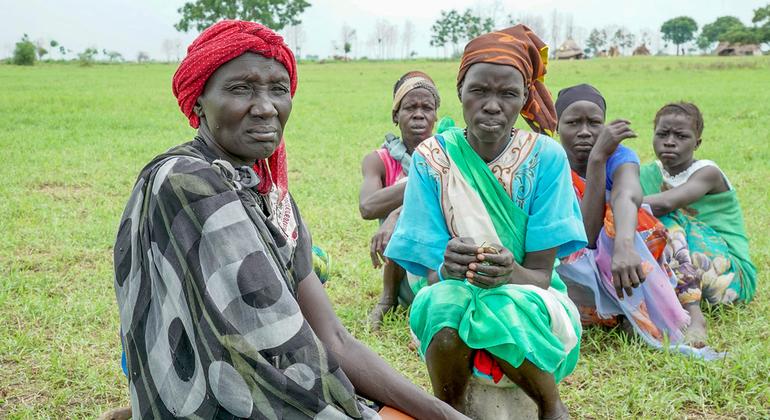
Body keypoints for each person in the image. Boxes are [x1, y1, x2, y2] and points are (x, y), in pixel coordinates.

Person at [113, 20, 467, 420]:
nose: (265, 106)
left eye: (278, 89)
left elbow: (335, 339)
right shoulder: (184, 181)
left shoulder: (270, 195)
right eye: (240, 88)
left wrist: (445, 414)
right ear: (198, 101)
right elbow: (278, 343)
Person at [385, 25, 587, 419]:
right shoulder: (433, 157)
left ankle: (550, 407)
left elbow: (541, 278)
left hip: (531, 299)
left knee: (501, 307)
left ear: (525, 98)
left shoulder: (545, 157)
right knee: (441, 303)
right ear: (460, 91)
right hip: (454, 296)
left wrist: (509, 271)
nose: (492, 105)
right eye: (479, 91)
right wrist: (447, 266)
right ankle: (451, 406)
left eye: (508, 94)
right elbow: (431, 276)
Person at [553, 84, 692, 348]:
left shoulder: (620, 156)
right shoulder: (551, 161)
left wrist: (625, 246)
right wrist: (596, 160)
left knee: (629, 227)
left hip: (619, 256)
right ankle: (620, 311)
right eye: (573, 122)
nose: (584, 131)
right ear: (557, 125)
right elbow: (585, 237)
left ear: (605, 125)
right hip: (573, 262)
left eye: (594, 123)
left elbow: (627, 196)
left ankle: (670, 313)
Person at [640, 102, 757, 346]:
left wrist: (619, 203)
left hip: (727, 274)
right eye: (662, 134)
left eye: (681, 136)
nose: (670, 141)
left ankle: (693, 316)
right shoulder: (649, 173)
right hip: (687, 270)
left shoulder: (707, 172)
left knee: (662, 217)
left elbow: (663, 204)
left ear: (697, 143)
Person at [359, 71, 440, 329]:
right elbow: (368, 207)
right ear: (396, 115)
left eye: (427, 107)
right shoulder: (379, 160)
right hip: (401, 269)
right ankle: (388, 298)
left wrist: (397, 214)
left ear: (436, 115)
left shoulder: (448, 154)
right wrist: (423, 181)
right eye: (410, 107)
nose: (419, 114)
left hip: (437, 267)